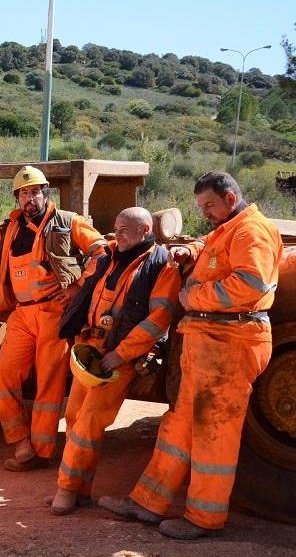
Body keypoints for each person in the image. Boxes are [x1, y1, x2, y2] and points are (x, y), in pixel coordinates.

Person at [99, 171, 282, 540]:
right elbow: (209, 245)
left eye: (209, 205)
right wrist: (191, 250)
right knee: (178, 425)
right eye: (201, 207)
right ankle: (148, 501)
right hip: (210, 345)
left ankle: (203, 518)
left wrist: (193, 297)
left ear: (230, 199)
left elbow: (251, 285)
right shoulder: (230, 227)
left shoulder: (252, 231)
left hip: (231, 345)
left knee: (215, 433)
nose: (205, 213)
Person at [47, 207, 181, 514]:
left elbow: (158, 320)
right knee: (74, 417)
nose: (117, 234)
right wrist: (80, 334)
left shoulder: (161, 265)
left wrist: (119, 355)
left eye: (124, 230)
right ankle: (81, 490)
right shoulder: (108, 256)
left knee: (88, 425)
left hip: (119, 357)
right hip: (91, 350)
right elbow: (87, 294)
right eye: (116, 228)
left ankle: (66, 488)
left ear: (145, 231)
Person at [0, 166, 106, 471]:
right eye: (23, 194)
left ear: (46, 193)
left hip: (53, 313)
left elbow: (102, 252)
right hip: (21, 314)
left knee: (49, 385)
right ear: (17, 198)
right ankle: (20, 441)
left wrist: (78, 287)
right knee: (3, 376)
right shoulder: (9, 227)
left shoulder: (68, 222)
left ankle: (42, 452)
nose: (29, 199)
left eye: (34, 192)